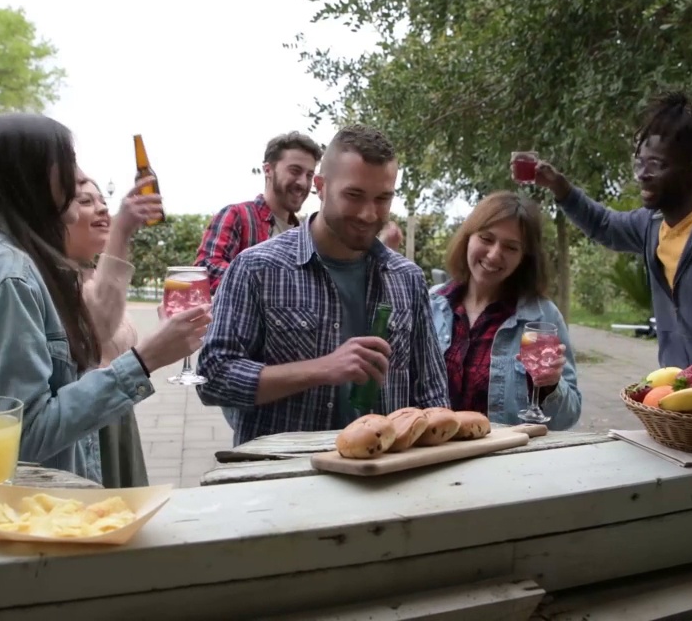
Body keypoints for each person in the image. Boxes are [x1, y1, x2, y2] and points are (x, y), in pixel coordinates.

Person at [0, 112, 211, 484]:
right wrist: (146, 359)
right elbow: (27, 436)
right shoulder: (10, 276)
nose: (78, 175)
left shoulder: (6, 260)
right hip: (33, 512)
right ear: (28, 177)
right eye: (66, 160)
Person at [196, 124, 451, 445]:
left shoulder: (407, 278)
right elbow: (212, 379)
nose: (369, 213)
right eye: (354, 195)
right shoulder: (256, 267)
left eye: (383, 198)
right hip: (283, 479)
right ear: (320, 185)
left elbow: (432, 393)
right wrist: (322, 369)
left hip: (385, 480)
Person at [520, 91, 692, 372]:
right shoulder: (652, 224)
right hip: (682, 393)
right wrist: (560, 187)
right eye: (639, 164)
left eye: (656, 165)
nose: (642, 174)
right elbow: (605, 225)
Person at [428, 192, 582, 429]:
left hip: (506, 461)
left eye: (511, 247)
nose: (494, 254)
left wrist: (551, 385)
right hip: (435, 457)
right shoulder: (430, 304)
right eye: (486, 239)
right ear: (468, 237)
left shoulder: (543, 317)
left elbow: (568, 418)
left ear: (524, 258)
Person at [63, 171, 162, 487]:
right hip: (86, 431)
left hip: (114, 417)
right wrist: (123, 229)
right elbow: (95, 332)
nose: (103, 209)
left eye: (103, 201)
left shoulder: (91, 276)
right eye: (85, 201)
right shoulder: (55, 282)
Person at [194, 131, 323, 293]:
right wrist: (272, 286)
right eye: (295, 171)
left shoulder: (306, 235)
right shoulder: (237, 215)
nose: (303, 182)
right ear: (268, 170)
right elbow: (206, 269)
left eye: (309, 175)